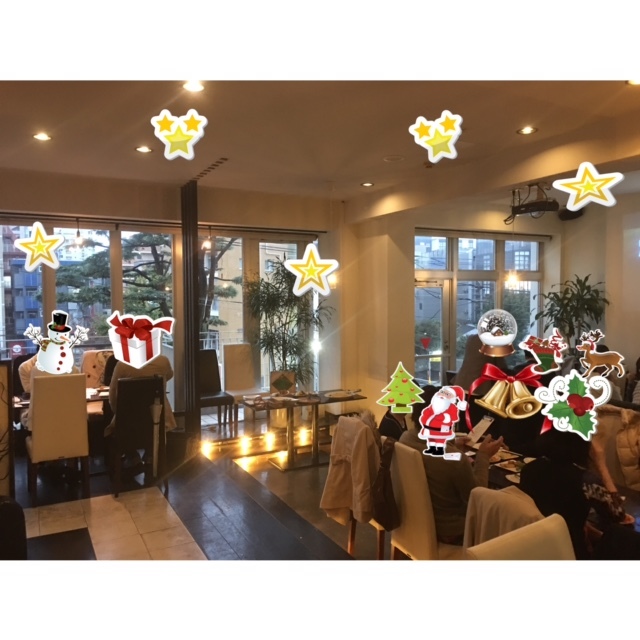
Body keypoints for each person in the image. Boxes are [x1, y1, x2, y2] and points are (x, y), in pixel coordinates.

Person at [520, 429, 639, 560]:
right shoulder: (585, 481)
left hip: (534, 544)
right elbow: (618, 514)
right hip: (569, 551)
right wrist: (601, 465)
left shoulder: (528, 470)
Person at [400, 396, 504, 545]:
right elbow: (478, 498)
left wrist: (452, 445)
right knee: (508, 517)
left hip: (413, 521)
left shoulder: (405, 438)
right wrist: (483, 456)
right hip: (450, 530)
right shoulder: (455, 460)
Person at [106, 354, 177, 437]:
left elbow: (112, 397)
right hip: (161, 420)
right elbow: (169, 375)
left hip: (129, 422)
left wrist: (120, 414)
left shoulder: (122, 365)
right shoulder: (163, 361)